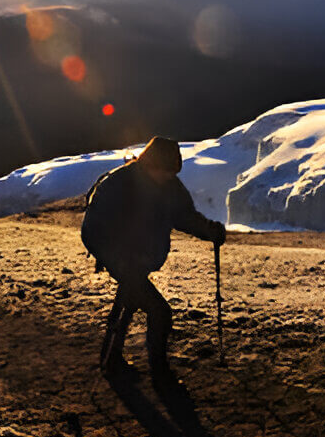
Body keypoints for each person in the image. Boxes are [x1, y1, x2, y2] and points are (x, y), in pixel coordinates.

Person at [81, 137, 226, 382]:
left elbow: (184, 216)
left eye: (172, 173)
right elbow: (94, 228)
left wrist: (210, 230)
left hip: (141, 259)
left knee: (129, 300)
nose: (169, 177)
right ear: (150, 164)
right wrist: (118, 259)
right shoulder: (119, 184)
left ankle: (112, 360)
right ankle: (159, 371)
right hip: (121, 259)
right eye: (165, 171)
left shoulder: (169, 185)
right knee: (159, 311)